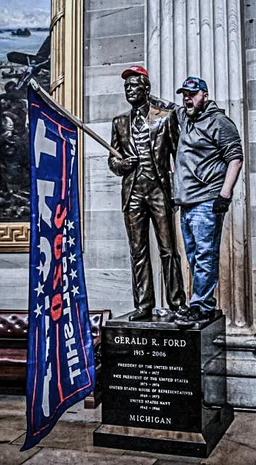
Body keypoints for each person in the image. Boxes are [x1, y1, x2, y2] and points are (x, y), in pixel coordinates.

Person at [107, 65, 187, 321]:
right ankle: (143, 305)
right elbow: (112, 160)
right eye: (126, 86)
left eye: (133, 85)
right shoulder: (119, 122)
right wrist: (121, 165)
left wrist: (178, 193)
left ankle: (177, 303)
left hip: (159, 191)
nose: (129, 90)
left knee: (168, 249)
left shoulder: (165, 117)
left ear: (146, 88)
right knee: (138, 251)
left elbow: (179, 158)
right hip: (133, 194)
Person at [172, 76, 243, 327]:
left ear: (205, 95)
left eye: (192, 94)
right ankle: (202, 302)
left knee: (204, 255)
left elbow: (235, 158)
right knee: (193, 256)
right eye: (184, 95)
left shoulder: (219, 122)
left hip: (207, 199)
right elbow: (166, 107)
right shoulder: (185, 117)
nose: (187, 99)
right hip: (187, 202)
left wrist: (224, 195)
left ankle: (201, 306)